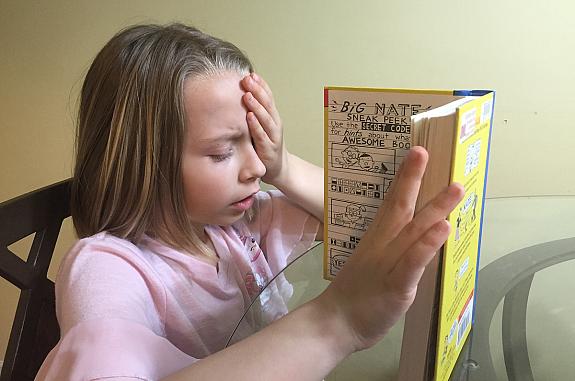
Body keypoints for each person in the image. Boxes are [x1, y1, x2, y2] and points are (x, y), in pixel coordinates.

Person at [35, 23, 464, 381]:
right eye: (224, 152)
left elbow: (360, 214)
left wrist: (284, 167)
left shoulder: (240, 225)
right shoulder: (107, 267)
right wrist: (339, 320)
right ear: (140, 162)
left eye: (257, 143)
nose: (254, 168)